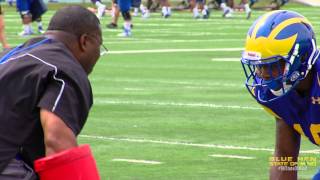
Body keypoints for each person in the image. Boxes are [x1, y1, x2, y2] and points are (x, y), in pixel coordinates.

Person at [0, 5, 104, 179]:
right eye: (99, 46)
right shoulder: (64, 69)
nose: (99, 54)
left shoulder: (9, 55)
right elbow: (57, 142)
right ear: (84, 41)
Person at [241, 10, 320, 180]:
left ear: (302, 58)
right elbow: (285, 158)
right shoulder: (276, 93)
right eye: (259, 65)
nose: (262, 74)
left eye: (272, 64)